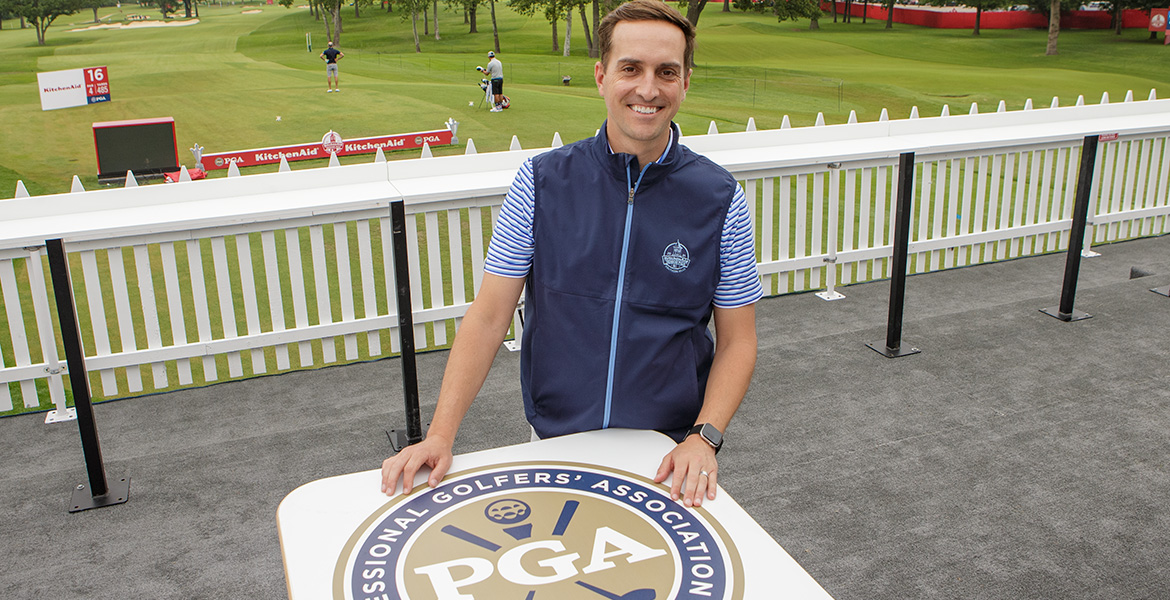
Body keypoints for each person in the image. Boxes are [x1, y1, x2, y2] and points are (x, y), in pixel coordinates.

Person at [381, 0, 762, 509]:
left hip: (670, 454)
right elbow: (490, 316)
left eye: (666, 72)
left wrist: (705, 437)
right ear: (602, 76)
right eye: (631, 69)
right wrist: (440, 435)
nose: (648, 89)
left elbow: (739, 339)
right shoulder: (539, 182)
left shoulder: (720, 197)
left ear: (685, 82)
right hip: (556, 441)